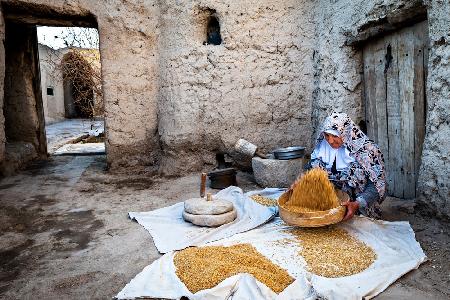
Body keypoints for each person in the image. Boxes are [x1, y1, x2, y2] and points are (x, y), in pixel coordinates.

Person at [304, 112, 387, 220]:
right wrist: (302, 182)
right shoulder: (322, 148)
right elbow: (310, 171)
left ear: (345, 133)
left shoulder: (369, 152)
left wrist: (356, 204)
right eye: (327, 135)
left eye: (335, 136)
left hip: (359, 207)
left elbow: (377, 185)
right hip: (329, 206)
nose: (330, 141)